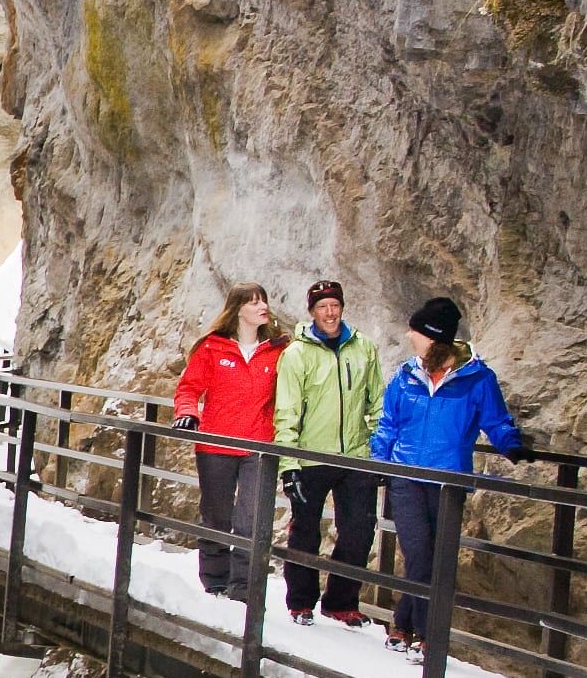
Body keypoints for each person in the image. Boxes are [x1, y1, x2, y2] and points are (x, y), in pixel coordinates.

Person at [370, 295, 524, 651]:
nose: (410, 336)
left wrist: (512, 444)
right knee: (420, 555)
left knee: (437, 559)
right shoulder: (406, 374)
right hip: (406, 475)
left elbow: (495, 420)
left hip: (448, 480)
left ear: (435, 337)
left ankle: (402, 624)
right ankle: (428, 636)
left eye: (417, 331)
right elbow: (388, 423)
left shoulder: (477, 379)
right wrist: (380, 462)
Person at [273, 276, 381, 624]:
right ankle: (301, 601)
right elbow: (286, 411)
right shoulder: (296, 354)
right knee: (305, 529)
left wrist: (379, 455)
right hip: (311, 456)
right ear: (312, 312)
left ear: (342, 308)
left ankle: (340, 601)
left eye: (335, 306)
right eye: (322, 307)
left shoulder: (363, 347)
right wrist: (288, 464)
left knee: (360, 530)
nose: (330, 313)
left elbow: (377, 402)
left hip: (355, 454)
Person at [169, 282, 286, 601]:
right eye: (253, 302)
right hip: (215, 443)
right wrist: (188, 413)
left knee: (252, 518)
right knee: (216, 514)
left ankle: (244, 588)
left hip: (259, 446)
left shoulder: (278, 349)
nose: (262, 307)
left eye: (264, 301)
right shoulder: (212, 347)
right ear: (237, 310)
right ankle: (215, 579)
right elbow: (189, 388)